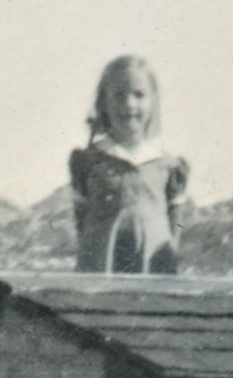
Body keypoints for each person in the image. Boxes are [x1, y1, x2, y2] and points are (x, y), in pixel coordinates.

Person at [69, 55, 189, 274]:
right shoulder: (88, 161)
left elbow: (176, 224)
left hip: (153, 272)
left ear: (153, 101)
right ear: (103, 102)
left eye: (139, 95)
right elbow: (81, 220)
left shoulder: (168, 166)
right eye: (119, 95)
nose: (129, 104)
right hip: (100, 272)